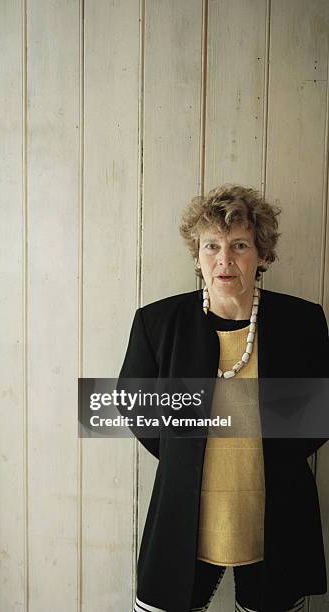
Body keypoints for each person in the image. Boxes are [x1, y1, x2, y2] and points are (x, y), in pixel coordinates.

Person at [119, 185, 329, 612]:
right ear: (197, 255)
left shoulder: (302, 321)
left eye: (239, 245)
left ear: (262, 254)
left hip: (277, 516)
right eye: (211, 245)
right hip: (184, 515)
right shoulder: (157, 322)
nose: (224, 259)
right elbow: (133, 402)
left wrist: (279, 457)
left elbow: (322, 410)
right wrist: (184, 452)